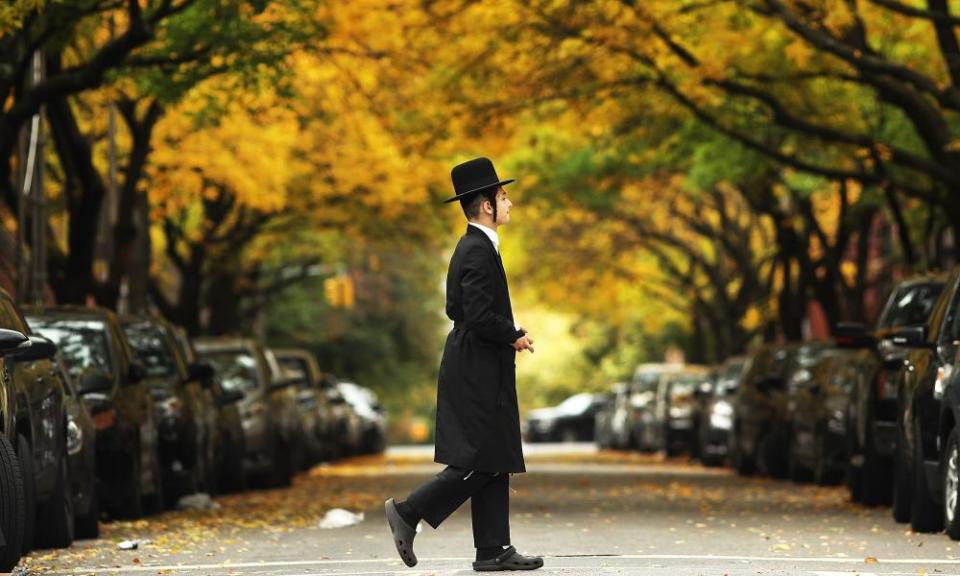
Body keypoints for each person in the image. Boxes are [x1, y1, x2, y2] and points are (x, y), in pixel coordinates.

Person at [385, 157, 543, 572]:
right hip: (476, 369)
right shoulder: (475, 249)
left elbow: (459, 307)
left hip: (477, 362)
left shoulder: (475, 247)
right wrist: (512, 333)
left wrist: (509, 330)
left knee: (494, 454)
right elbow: (473, 313)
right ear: (486, 204)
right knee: (481, 458)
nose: (508, 202)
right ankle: (408, 511)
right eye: (503, 196)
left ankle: (493, 549)